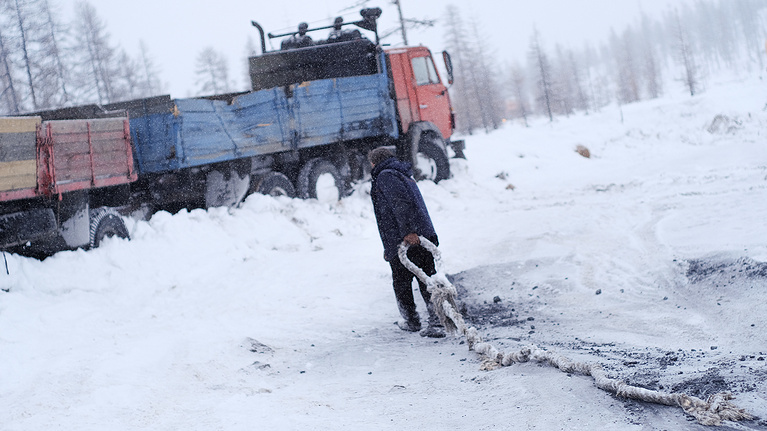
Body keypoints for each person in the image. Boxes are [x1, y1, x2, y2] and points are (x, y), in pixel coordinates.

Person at [368, 147, 445, 338]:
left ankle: (413, 320)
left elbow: (400, 205)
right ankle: (436, 318)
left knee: (404, 282)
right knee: (425, 276)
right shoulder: (399, 173)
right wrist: (389, 247)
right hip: (412, 237)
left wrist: (408, 232)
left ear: (374, 162)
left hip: (407, 239)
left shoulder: (386, 176)